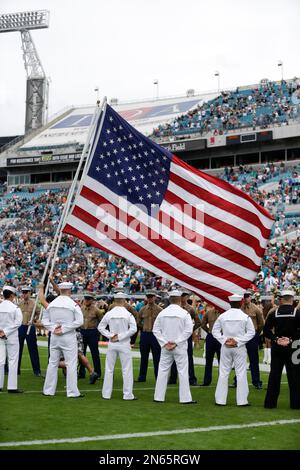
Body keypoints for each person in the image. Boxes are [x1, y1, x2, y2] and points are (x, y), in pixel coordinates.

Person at [153, 290, 196, 404]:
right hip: (179, 347)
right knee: (182, 372)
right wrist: (176, 342)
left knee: (162, 371)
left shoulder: (162, 313)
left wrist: (165, 342)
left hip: (166, 347)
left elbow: (155, 330)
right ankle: (185, 398)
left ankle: (158, 397)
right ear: (180, 299)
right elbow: (188, 331)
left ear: (170, 299)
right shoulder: (184, 313)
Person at [42, 281, 84, 398]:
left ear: (60, 290)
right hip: (68, 336)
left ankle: (48, 390)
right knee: (71, 364)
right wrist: (64, 328)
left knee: (52, 363)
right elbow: (80, 321)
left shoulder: (52, 304)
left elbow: (45, 320)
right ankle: (72, 392)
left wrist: (54, 328)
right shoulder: (73, 304)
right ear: (69, 290)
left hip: (55, 336)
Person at [212, 294, 255, 406]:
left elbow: (214, 331)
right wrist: (238, 341)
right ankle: (242, 401)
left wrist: (225, 340)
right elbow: (251, 332)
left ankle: (220, 400)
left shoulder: (222, 316)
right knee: (241, 373)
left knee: (223, 372)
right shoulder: (245, 316)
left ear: (230, 304)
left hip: (226, 347)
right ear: (240, 303)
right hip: (239, 348)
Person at [264, 289, 300, 409]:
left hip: (277, 347)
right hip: (294, 347)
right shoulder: (297, 312)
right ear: (292, 299)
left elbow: (266, 330)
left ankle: (270, 403)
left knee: (274, 375)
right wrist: (291, 339)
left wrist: (275, 339)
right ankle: (296, 404)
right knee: (295, 376)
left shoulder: (274, 312)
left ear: (281, 299)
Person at [98, 292, 137, 400]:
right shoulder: (128, 314)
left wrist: (111, 335)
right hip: (123, 343)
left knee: (109, 369)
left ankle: (106, 394)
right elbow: (133, 329)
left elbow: (100, 327)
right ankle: (128, 395)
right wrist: (120, 336)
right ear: (124, 301)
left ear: (114, 302)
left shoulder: (109, 313)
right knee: (127, 369)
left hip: (112, 343)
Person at [230, 292, 264, 389]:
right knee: (239, 359)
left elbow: (261, 323)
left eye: (247, 297)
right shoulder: (239, 308)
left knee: (254, 360)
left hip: (252, 336)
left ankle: (256, 381)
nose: (245, 299)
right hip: (240, 336)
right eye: (243, 297)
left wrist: (256, 333)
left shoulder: (256, 309)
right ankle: (237, 381)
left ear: (250, 297)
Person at [168, 291, 200, 386]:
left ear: (187, 297)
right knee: (173, 356)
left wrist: (189, 330)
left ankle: (191, 379)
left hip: (186, 337)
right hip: (175, 335)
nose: (181, 298)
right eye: (180, 296)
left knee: (189, 357)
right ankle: (173, 378)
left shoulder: (190, 309)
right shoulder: (174, 308)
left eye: (183, 296)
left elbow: (198, 322)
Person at [0, 286, 23, 393]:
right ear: (12, 295)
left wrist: (2, 331)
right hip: (12, 337)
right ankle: (12, 387)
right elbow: (18, 323)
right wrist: (6, 331)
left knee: (0, 361)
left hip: (0, 336)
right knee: (13, 361)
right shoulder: (15, 308)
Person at [136, 291, 162, 382]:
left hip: (155, 335)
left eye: (151, 297)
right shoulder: (142, 309)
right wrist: (143, 327)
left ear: (155, 297)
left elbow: (163, 323)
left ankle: (158, 376)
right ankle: (142, 377)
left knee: (157, 357)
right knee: (144, 356)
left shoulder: (159, 310)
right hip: (145, 334)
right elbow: (138, 320)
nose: (150, 298)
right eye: (148, 297)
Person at [78, 293, 103, 383]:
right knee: (81, 353)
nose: (87, 300)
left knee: (95, 353)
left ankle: (97, 372)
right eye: (86, 299)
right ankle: (82, 372)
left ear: (92, 300)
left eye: (89, 299)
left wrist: (98, 331)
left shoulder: (97, 310)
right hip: (83, 332)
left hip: (93, 332)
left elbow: (102, 321)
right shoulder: (81, 309)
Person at [17, 286, 42, 377]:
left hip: (30, 327)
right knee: (17, 350)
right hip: (21, 327)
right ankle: (16, 370)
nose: (24, 294)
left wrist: (34, 320)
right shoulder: (19, 304)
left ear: (30, 293)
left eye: (26, 292)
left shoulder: (34, 304)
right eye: (23, 292)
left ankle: (37, 370)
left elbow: (39, 314)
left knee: (33, 350)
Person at [200, 305, 221, 386]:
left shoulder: (224, 312)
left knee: (221, 361)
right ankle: (206, 381)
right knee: (208, 360)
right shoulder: (209, 312)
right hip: (211, 336)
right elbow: (203, 324)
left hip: (221, 337)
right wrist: (208, 331)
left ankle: (221, 381)